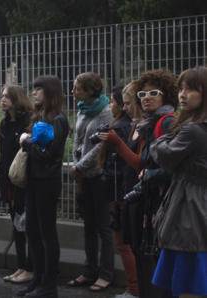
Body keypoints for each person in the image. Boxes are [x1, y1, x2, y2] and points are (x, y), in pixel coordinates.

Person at [100, 69, 177, 298]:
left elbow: (160, 166)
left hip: (159, 200)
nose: (146, 97)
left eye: (153, 92)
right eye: (142, 93)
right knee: (142, 252)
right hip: (145, 197)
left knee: (152, 258)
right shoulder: (148, 124)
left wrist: (117, 143)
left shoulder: (166, 122)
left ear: (166, 95)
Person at [150, 66, 207, 298]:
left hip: (189, 213)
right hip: (197, 209)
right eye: (181, 89)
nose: (183, 95)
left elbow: (162, 153)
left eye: (191, 89)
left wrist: (162, 140)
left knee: (187, 287)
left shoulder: (192, 131)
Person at [18, 76, 70, 297]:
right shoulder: (40, 116)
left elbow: (48, 155)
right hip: (34, 180)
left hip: (47, 181)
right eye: (34, 88)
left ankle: (49, 286)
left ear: (50, 93)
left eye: (39, 89)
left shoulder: (58, 119)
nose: (34, 93)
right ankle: (37, 279)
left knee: (47, 233)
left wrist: (27, 142)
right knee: (33, 231)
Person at [68, 72, 115, 291]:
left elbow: (100, 145)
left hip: (97, 175)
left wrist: (80, 165)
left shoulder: (105, 112)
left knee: (103, 227)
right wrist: (74, 163)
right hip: (83, 176)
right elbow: (78, 140)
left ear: (89, 90)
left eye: (77, 88)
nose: (73, 91)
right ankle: (89, 270)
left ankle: (106, 274)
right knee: (88, 225)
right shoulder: (82, 109)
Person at [98, 86, 139, 298]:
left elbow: (133, 162)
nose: (117, 106)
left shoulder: (125, 128)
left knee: (124, 243)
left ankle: (134, 289)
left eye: (124, 102)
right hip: (123, 189)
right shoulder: (128, 126)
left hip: (123, 190)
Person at [0, 85, 34, 284]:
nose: (2, 100)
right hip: (9, 179)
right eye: (2, 96)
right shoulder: (4, 123)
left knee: (27, 225)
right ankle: (21, 266)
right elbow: (3, 155)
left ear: (16, 99)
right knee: (16, 224)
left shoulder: (27, 121)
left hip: (23, 180)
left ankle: (31, 267)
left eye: (7, 97)